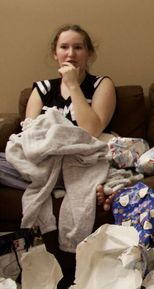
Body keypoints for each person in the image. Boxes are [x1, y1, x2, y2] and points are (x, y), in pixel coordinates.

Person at [24, 24, 117, 210]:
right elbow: (30, 138)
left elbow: (91, 130)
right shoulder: (42, 89)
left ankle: (69, 183)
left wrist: (73, 85)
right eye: (64, 47)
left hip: (83, 163)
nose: (71, 54)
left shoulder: (102, 85)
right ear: (55, 53)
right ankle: (66, 184)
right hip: (45, 163)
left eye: (78, 47)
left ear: (89, 53)